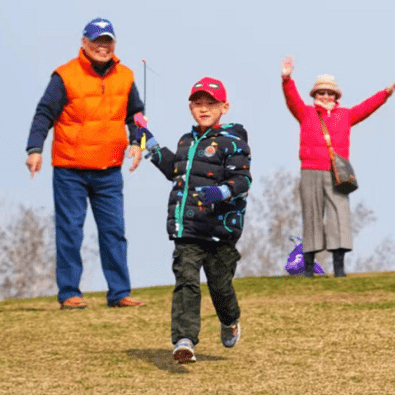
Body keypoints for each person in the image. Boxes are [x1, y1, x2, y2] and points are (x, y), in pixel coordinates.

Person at [24, 18, 145, 310]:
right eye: (97, 41)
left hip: (109, 170)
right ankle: (69, 294)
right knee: (70, 231)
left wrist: (137, 142)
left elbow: (137, 114)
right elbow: (44, 114)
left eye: (108, 41)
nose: (103, 47)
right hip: (70, 169)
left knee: (114, 231)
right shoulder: (64, 77)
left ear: (114, 44)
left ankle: (119, 292)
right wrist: (35, 149)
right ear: (84, 43)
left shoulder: (126, 76)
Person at [138, 77, 252, 365]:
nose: (203, 109)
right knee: (186, 282)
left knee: (219, 286)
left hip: (219, 230)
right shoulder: (186, 141)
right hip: (188, 228)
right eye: (197, 103)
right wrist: (147, 140)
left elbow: (242, 180)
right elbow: (174, 170)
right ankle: (184, 340)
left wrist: (221, 191)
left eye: (210, 103)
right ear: (190, 107)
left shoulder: (234, 142)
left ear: (224, 107)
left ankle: (230, 320)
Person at [280, 56, 395, 278]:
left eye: (329, 93)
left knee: (340, 217)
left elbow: (367, 108)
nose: (325, 96)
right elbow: (291, 99)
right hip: (310, 170)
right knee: (312, 216)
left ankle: (339, 268)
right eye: (321, 92)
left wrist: (386, 93)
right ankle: (308, 268)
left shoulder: (345, 115)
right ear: (314, 95)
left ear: (336, 96)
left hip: (337, 173)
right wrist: (287, 78)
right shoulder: (305, 113)